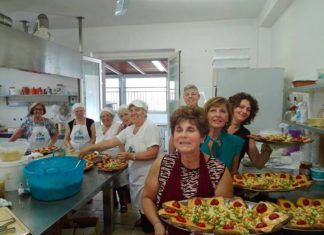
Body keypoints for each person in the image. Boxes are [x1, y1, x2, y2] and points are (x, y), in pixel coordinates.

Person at [141, 106, 233, 235]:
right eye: (179, 130)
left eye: (190, 130)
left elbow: (223, 214)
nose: (183, 135)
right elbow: (146, 198)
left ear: (202, 137)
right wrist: (157, 224)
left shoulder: (219, 170)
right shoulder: (162, 164)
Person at [79, 100, 161, 233]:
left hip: (148, 174)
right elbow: (110, 142)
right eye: (131, 110)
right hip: (136, 173)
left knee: (148, 203)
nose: (133, 113)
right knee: (139, 201)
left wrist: (130, 156)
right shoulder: (129, 129)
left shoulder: (150, 127)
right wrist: (90, 147)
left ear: (145, 112)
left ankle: (150, 225)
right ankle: (144, 219)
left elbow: (153, 152)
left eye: (137, 110)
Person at [228, 92, 272, 172]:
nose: (244, 111)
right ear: (232, 107)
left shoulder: (247, 135)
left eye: (248, 109)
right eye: (241, 107)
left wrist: (268, 148)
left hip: (231, 178)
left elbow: (258, 164)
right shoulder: (219, 127)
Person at [96, 107, 129, 213]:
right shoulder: (99, 129)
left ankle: (123, 204)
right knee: (108, 182)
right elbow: (96, 143)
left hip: (116, 157)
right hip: (103, 160)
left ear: (112, 116)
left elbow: (121, 142)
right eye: (102, 116)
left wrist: (123, 157)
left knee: (120, 181)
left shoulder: (119, 126)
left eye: (107, 115)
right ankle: (113, 201)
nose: (105, 118)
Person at [200, 97, 244, 175]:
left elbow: (233, 172)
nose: (218, 115)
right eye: (213, 110)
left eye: (223, 111)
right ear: (206, 115)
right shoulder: (195, 139)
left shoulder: (236, 142)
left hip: (224, 186)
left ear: (228, 118)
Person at [168, 84, 201, 153]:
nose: (190, 96)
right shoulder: (178, 114)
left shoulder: (204, 114)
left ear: (198, 97)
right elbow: (173, 137)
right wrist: (171, 156)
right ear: (184, 98)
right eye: (187, 95)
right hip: (182, 152)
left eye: (193, 94)